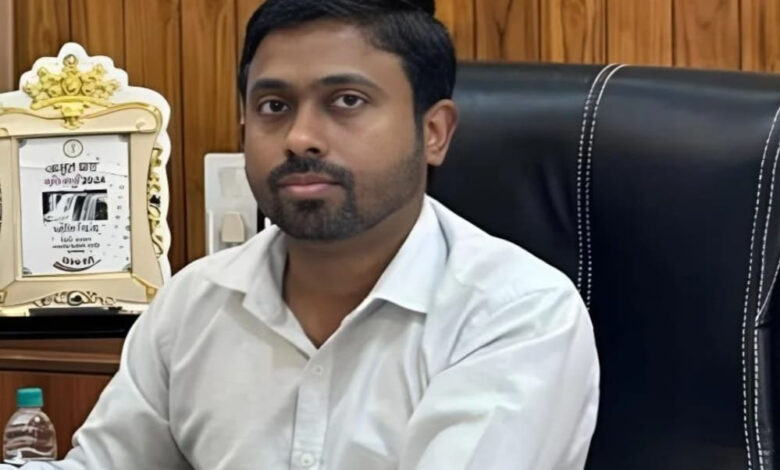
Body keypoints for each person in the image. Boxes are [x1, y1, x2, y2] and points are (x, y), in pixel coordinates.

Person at [2, 0, 599, 468]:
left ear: (434, 132)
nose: (300, 138)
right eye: (273, 106)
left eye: (347, 100)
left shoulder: (517, 313)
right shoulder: (192, 303)